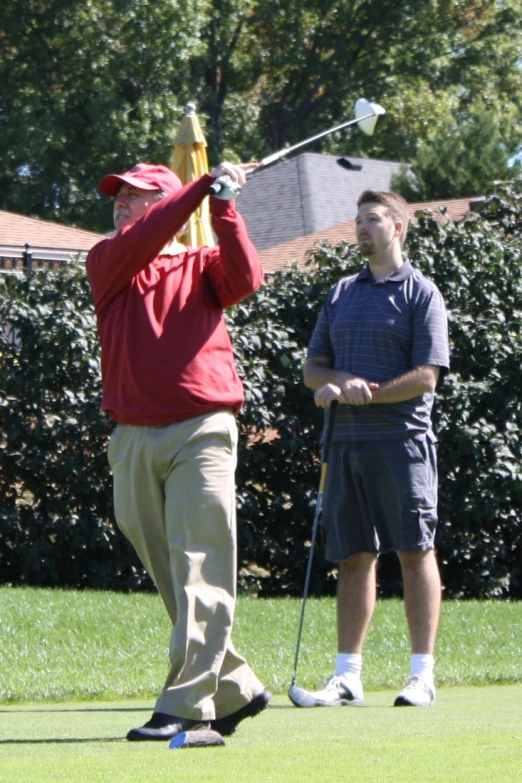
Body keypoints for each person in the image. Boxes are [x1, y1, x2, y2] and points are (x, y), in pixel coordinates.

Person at [86, 160, 271, 741]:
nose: (121, 202)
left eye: (135, 195)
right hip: (132, 436)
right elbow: (151, 233)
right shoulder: (107, 259)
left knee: (199, 563)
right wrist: (198, 189)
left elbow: (246, 279)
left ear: (163, 199)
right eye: (118, 195)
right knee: (172, 573)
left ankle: (189, 705)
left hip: (202, 429)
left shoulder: (200, 263)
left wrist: (223, 204)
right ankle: (236, 687)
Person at [292, 190, 449, 709]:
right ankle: (348, 678)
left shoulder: (421, 294)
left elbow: (427, 376)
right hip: (345, 442)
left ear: (398, 228)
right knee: (354, 556)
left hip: (401, 443)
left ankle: (421, 675)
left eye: (373, 219)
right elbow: (313, 367)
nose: (361, 228)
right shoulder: (340, 293)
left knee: (413, 550)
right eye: (357, 220)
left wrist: (370, 392)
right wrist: (337, 382)